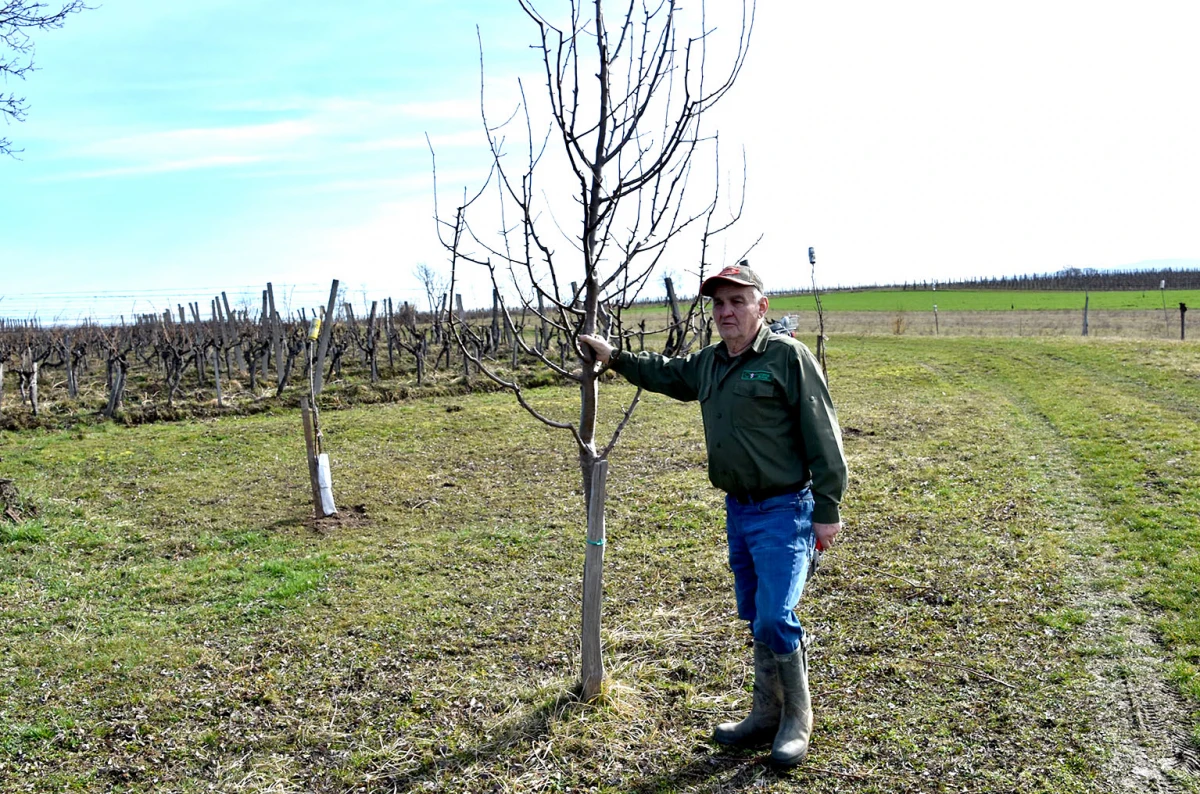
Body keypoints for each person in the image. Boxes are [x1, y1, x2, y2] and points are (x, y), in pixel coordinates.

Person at [579, 261, 848, 767]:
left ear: (761, 307)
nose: (726, 311)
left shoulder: (788, 358)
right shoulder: (709, 362)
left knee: (775, 614)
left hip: (785, 509)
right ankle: (765, 713)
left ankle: (797, 719)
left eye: (737, 301)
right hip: (739, 510)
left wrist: (827, 510)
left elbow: (823, 434)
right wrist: (614, 357)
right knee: (754, 613)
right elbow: (668, 374)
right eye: (719, 303)